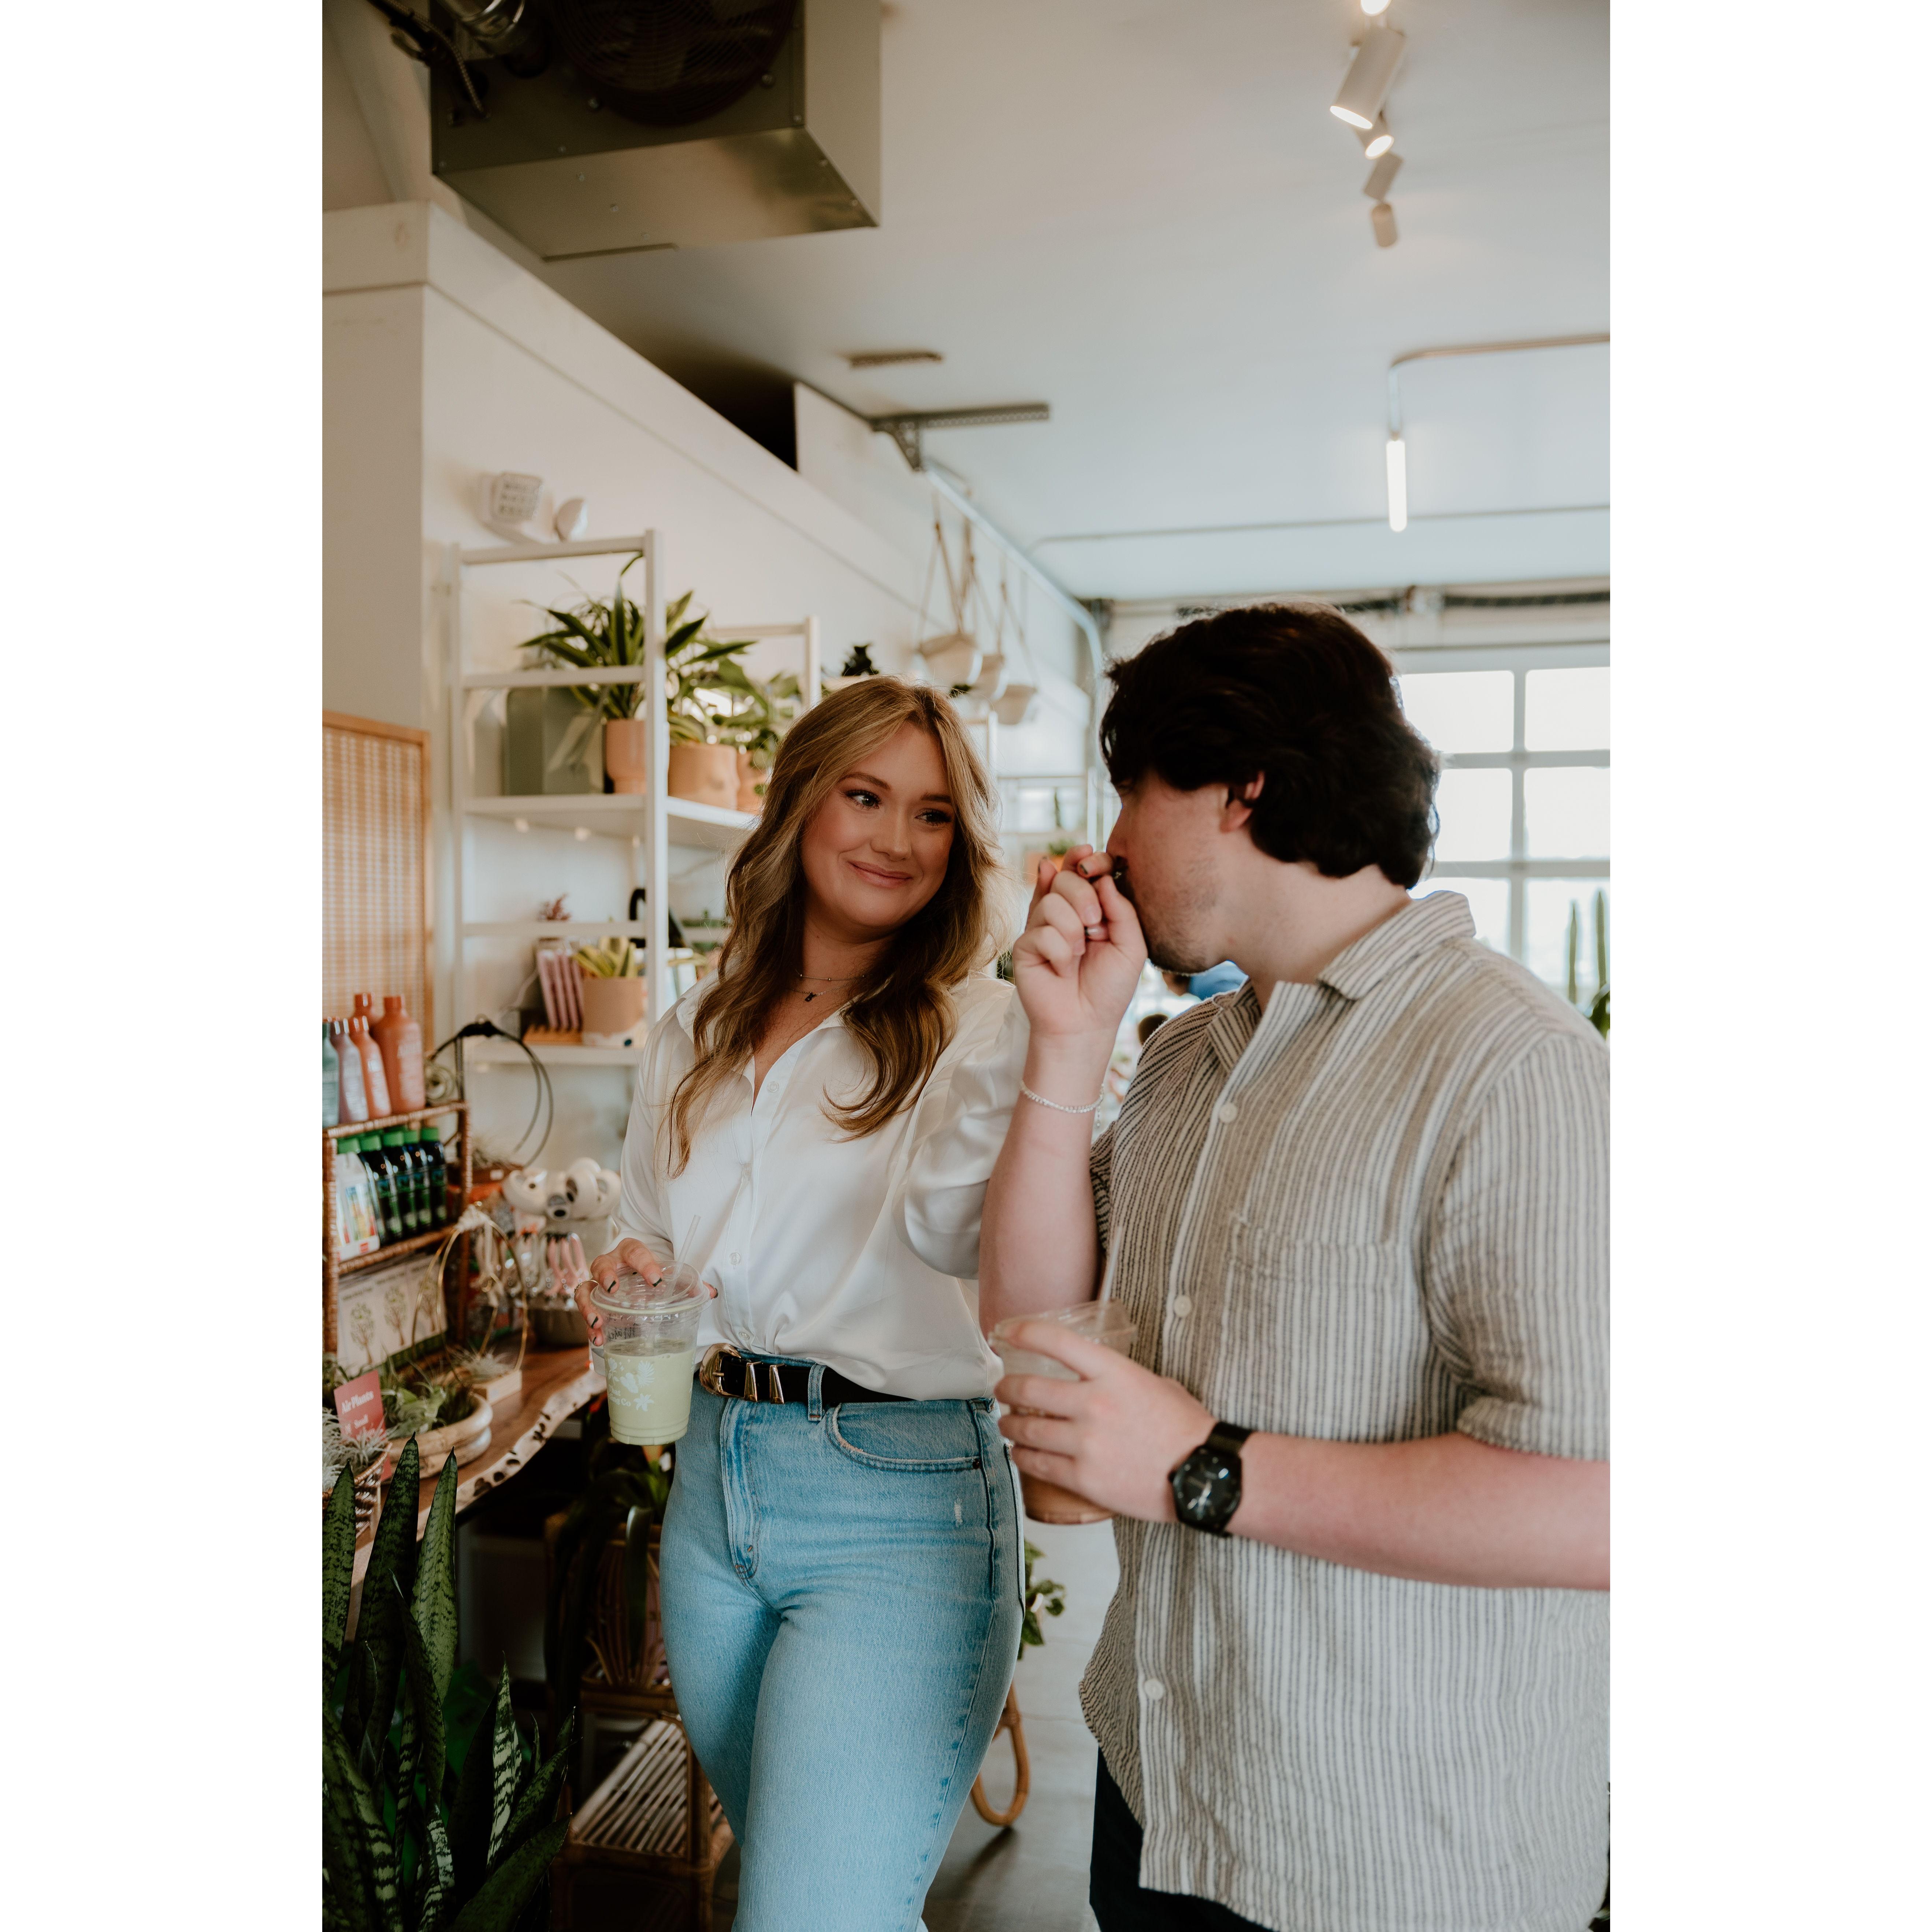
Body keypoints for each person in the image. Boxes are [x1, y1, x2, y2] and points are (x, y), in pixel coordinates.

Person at [978, 604, 1609, 1932]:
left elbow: (1598, 1511)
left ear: (1240, 788)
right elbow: (1037, 1333)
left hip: (1389, 1859)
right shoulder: (1179, 1061)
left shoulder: (1514, 1065)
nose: (1108, 842)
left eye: (1130, 791)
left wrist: (1198, 1465)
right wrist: (1067, 1046)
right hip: (1161, 1791)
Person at [576, 677, 1028, 1931]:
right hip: (713, 1480)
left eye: (933, 815)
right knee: (816, 1895)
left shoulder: (982, 1026)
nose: (898, 840)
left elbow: (997, 1247)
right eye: (866, 796)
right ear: (797, 804)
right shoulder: (699, 1023)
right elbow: (649, 1225)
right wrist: (631, 1270)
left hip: (899, 1496)